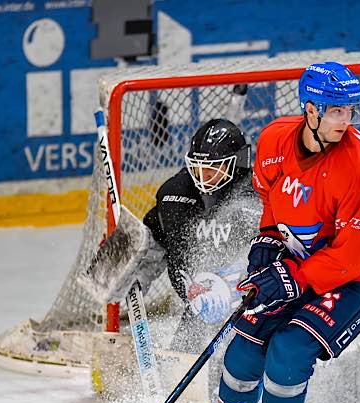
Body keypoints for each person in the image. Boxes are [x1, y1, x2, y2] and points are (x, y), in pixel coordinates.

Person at [185, 62, 360, 403]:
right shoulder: (273, 140)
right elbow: (274, 204)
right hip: (302, 259)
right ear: (310, 109)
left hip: (358, 275)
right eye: (336, 111)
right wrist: (268, 240)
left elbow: (350, 259)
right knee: (245, 345)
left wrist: (294, 278)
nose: (346, 120)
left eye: (350, 111)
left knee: (289, 348)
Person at [80, 117, 259, 353]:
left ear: (236, 164)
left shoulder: (257, 199)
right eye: (198, 168)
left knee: (236, 373)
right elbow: (153, 238)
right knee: (181, 371)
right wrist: (122, 260)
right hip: (198, 309)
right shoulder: (175, 194)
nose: (204, 176)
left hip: (248, 313)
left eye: (213, 169)